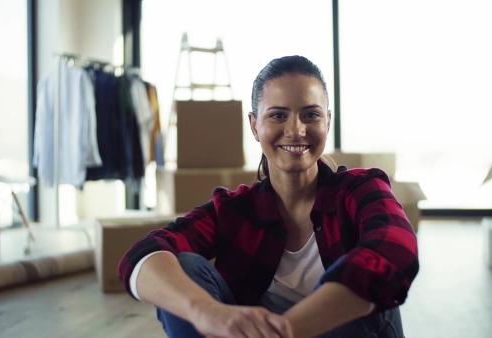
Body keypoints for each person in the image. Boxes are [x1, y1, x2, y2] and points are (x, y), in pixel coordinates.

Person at [117, 55, 419, 338]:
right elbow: (143, 254)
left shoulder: (360, 188)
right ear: (254, 125)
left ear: (327, 121)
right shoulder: (234, 210)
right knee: (183, 266)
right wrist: (208, 313)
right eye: (277, 115)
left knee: (370, 283)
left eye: (310, 115)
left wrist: (283, 330)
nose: (296, 130)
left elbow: (395, 249)